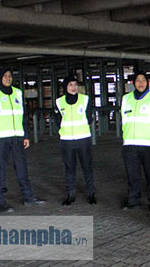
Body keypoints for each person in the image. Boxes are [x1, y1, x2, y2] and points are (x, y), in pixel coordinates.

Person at [0, 68, 46, 213]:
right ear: (0, 78)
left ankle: (28, 197)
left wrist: (26, 136)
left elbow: (23, 116)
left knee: (22, 168)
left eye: (10, 76)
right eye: (5, 76)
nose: (8, 78)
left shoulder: (18, 93)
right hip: (0, 139)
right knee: (1, 170)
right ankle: (0, 201)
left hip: (17, 138)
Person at [121, 71, 150, 211]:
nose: (140, 83)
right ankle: (132, 200)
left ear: (148, 82)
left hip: (149, 144)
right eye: (137, 80)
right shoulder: (126, 99)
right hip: (130, 144)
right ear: (133, 83)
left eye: (143, 80)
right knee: (132, 175)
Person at [55, 73, 96, 206]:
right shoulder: (59, 102)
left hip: (83, 139)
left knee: (87, 167)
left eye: (75, 85)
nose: (73, 87)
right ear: (65, 87)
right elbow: (57, 120)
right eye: (70, 85)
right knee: (69, 169)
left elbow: (89, 118)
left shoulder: (85, 100)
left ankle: (91, 193)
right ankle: (70, 194)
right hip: (66, 140)